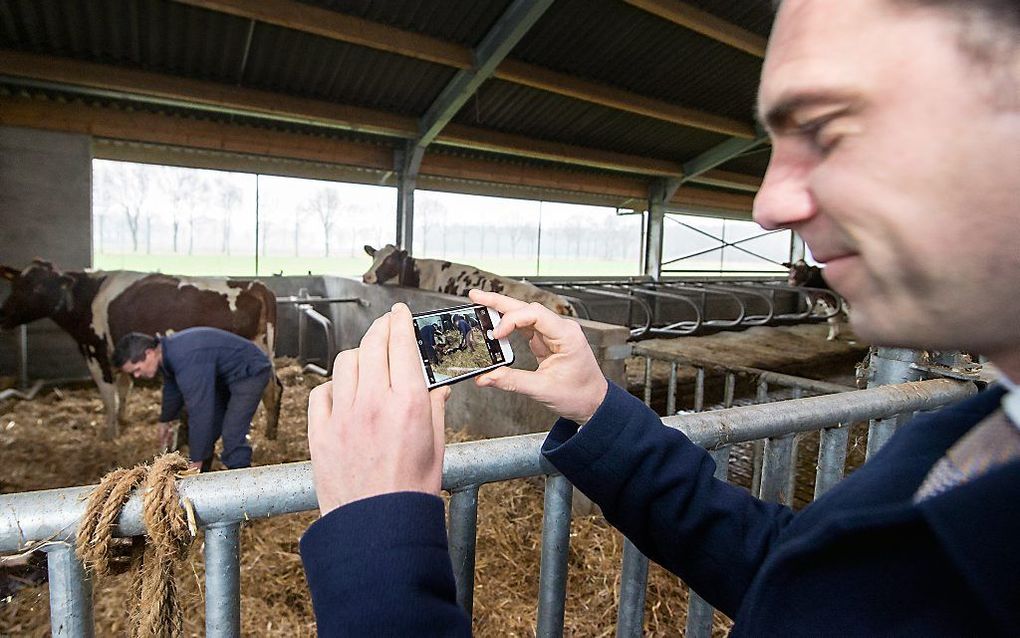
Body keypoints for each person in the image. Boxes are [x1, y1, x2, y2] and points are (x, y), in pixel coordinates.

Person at [299, 1, 1019, 635]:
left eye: (829, 130)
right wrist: (602, 415)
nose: (768, 205)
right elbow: (795, 573)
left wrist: (379, 542)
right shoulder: (975, 438)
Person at [113, 327, 274, 472]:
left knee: (232, 435)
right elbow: (172, 388)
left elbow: (201, 410)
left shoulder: (185, 358)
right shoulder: (167, 353)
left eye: (137, 370)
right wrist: (166, 420)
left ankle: (243, 489)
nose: (137, 376)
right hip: (224, 376)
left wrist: (195, 461)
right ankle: (203, 475)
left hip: (250, 371)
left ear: (149, 353)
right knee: (209, 430)